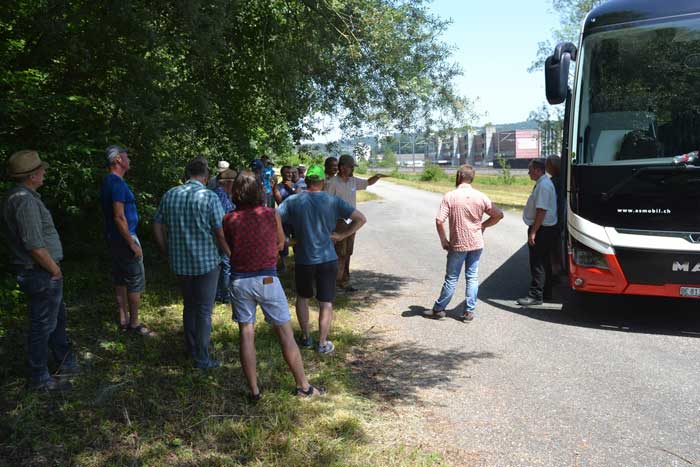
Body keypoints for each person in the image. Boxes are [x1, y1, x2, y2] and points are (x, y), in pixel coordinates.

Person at [223, 171, 325, 400]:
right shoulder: (270, 214)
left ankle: (254, 391)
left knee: (246, 333)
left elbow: (231, 245)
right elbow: (281, 244)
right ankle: (303, 386)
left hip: (240, 280)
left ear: (236, 192)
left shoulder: (228, 218)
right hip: (267, 278)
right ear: (259, 190)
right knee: (286, 334)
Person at [2, 150, 79, 391]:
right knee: (43, 324)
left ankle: (64, 363)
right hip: (40, 272)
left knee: (55, 320)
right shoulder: (24, 201)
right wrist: (54, 269)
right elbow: (34, 244)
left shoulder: (21, 196)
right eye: (41, 170)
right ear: (33, 175)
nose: (44, 172)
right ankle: (38, 378)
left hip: (41, 272)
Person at [277, 165, 366, 354]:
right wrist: (342, 236)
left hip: (303, 259)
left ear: (306, 180)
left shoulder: (294, 201)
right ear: (323, 182)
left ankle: (306, 337)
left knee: (302, 297)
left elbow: (273, 216)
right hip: (327, 259)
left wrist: (284, 240)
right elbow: (361, 218)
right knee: (325, 302)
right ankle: (322, 342)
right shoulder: (332, 201)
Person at [153, 158, 230, 369]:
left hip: (180, 263)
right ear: (206, 177)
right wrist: (229, 253)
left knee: (189, 306)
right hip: (207, 264)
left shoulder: (170, 194)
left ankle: (191, 348)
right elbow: (220, 233)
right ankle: (203, 358)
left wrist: (165, 249)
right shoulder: (209, 196)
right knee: (204, 311)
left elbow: (157, 225)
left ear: (186, 174)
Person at [425, 165, 504, 321]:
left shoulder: (450, 196)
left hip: (458, 244)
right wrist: (483, 225)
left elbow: (439, 220)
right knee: (472, 277)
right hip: (476, 243)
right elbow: (499, 214)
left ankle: (439, 309)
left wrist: (443, 240)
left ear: (459, 176)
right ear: (472, 177)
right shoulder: (481, 196)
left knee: (452, 278)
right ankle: (469, 312)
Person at [100, 145, 154, 336]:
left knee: (120, 279)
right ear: (117, 161)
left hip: (112, 238)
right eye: (126, 156)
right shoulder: (117, 184)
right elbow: (119, 216)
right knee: (134, 280)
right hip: (125, 238)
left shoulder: (108, 182)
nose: (129, 159)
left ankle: (123, 319)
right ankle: (134, 323)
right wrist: (131, 242)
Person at [324, 154, 384, 291]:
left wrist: (377, 177)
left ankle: (344, 280)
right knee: (339, 252)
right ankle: (335, 282)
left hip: (353, 222)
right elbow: (326, 202)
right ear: (342, 167)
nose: (350, 169)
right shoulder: (332, 182)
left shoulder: (353, 181)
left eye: (351, 167)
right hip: (338, 221)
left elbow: (367, 183)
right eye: (349, 166)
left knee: (348, 252)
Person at [517, 159, 558, 306]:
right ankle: (546, 292)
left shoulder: (543, 186)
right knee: (545, 262)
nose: (528, 173)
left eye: (530, 170)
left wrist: (533, 232)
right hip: (545, 228)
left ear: (538, 170)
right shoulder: (543, 183)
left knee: (537, 263)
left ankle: (535, 295)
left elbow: (541, 210)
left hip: (542, 229)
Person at [212, 168, 237, 303]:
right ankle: (224, 295)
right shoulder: (220, 195)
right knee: (226, 264)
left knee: (221, 265)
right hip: (222, 236)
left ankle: (219, 294)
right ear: (228, 182)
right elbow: (224, 218)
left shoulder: (222, 194)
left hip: (220, 235)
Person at [546, 155, 565, 275]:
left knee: (553, 246)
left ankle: (555, 270)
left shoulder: (553, 181)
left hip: (555, 217)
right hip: (559, 215)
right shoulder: (561, 179)